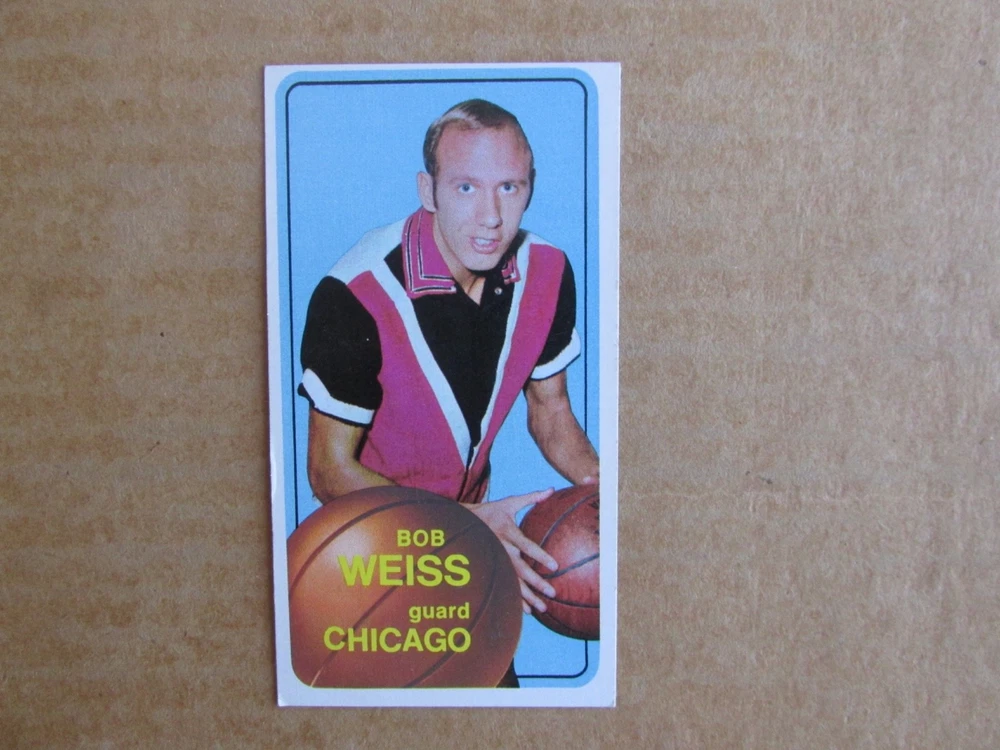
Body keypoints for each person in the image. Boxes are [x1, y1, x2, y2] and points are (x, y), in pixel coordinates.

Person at [298, 98, 599, 621]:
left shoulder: (548, 272)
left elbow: (551, 412)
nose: (491, 217)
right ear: (428, 190)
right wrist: (464, 522)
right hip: (374, 550)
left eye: (509, 187)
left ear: (531, 187)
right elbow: (328, 471)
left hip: (470, 543)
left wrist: (609, 490)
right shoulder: (354, 295)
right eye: (466, 188)